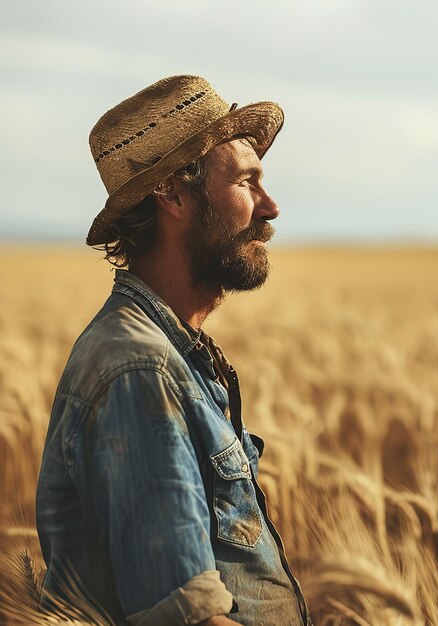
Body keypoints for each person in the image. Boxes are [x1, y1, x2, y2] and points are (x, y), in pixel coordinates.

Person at [36, 75, 311, 626]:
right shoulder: (140, 370)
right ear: (175, 195)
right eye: (246, 182)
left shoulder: (170, 351)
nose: (271, 206)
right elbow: (188, 618)